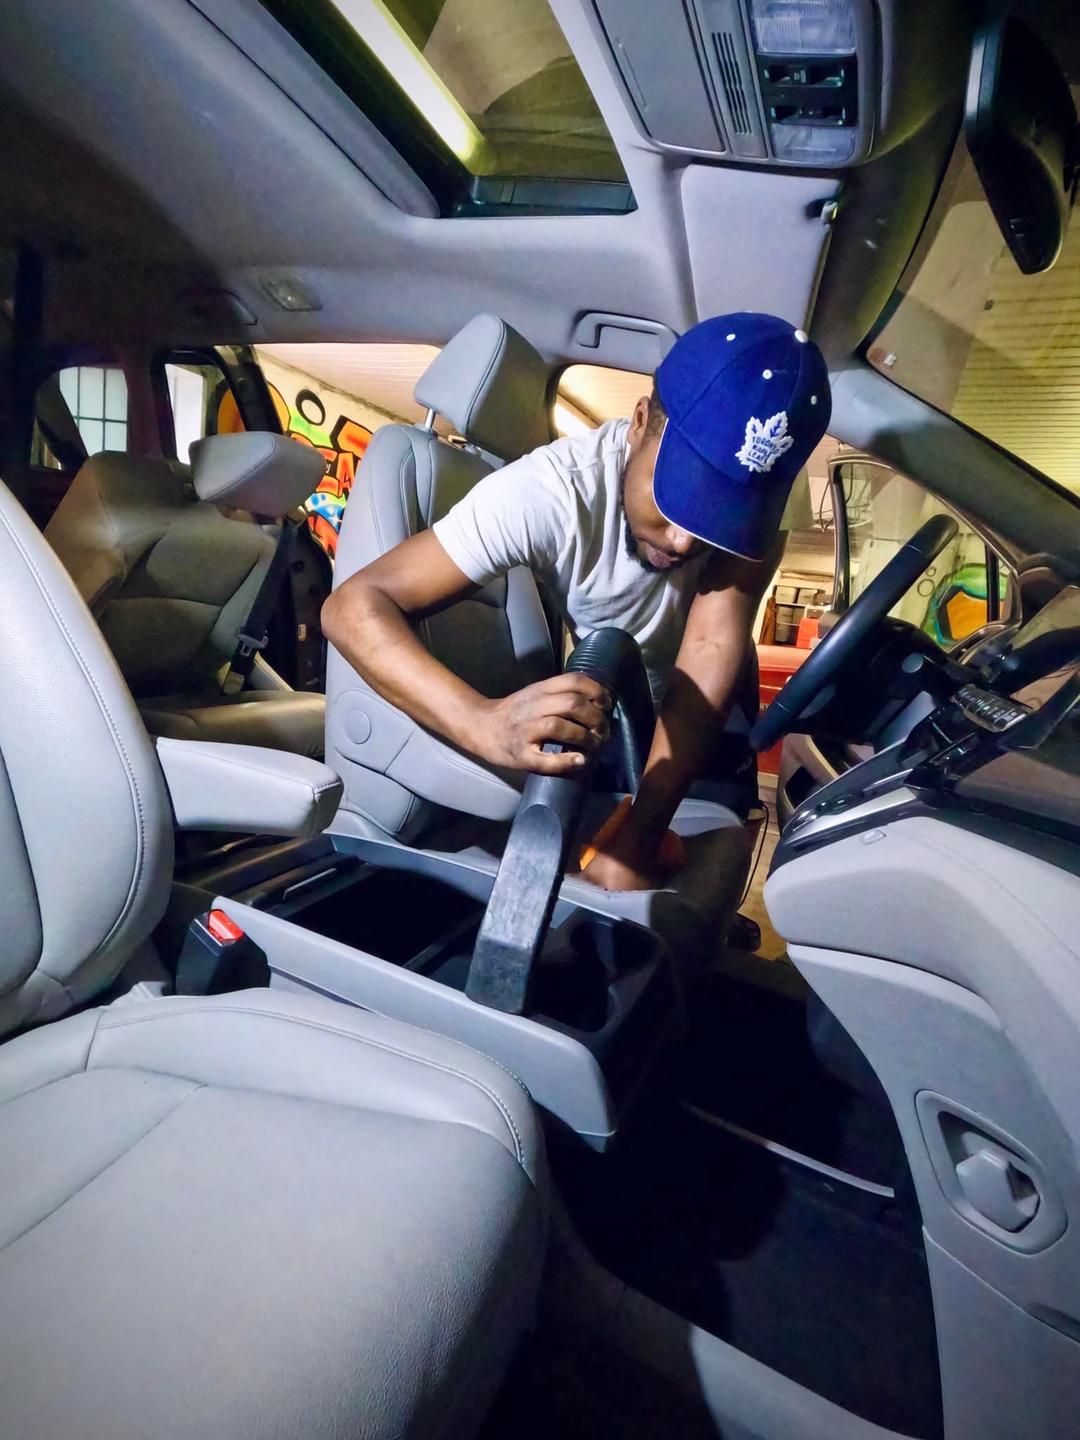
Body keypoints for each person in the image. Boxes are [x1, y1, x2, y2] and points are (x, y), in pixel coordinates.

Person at [322, 313, 831, 891]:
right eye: (677, 498)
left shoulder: (769, 490)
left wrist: (643, 829)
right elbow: (352, 605)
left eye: (721, 517)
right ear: (640, 422)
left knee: (707, 858)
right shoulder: (549, 492)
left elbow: (713, 638)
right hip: (618, 699)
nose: (684, 542)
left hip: (701, 697)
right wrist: (482, 722)